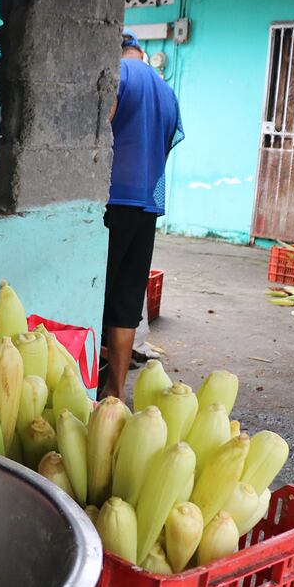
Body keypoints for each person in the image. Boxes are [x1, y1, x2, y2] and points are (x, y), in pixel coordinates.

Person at [100, 29, 183, 402]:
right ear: (141, 51)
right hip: (146, 204)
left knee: (95, 291)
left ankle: (82, 383)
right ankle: (115, 392)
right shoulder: (167, 91)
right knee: (127, 299)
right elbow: (167, 143)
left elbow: (104, 126)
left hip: (111, 199)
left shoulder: (117, 74)